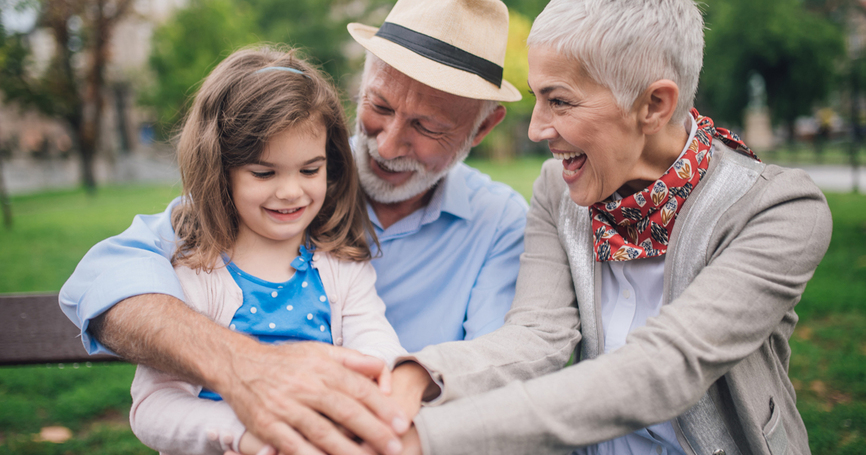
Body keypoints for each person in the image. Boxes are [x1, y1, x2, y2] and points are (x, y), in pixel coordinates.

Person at [58, 0, 525, 453]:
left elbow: (496, 373)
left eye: (427, 127)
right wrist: (244, 370)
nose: (387, 143)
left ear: (481, 129)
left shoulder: (499, 223)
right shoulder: (268, 176)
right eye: (379, 106)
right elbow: (106, 275)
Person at [389, 1, 833, 454]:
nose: (536, 129)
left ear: (654, 105)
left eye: (559, 100)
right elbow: (536, 334)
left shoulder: (778, 209)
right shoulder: (557, 191)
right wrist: (417, 376)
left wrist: (429, 438)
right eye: (537, 98)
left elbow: (667, 366)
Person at [127, 46, 407, 455]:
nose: (291, 191)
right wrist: (240, 432)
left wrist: (363, 398)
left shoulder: (341, 265)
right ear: (220, 170)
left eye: (310, 169)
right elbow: (154, 405)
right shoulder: (195, 272)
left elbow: (377, 345)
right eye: (264, 172)